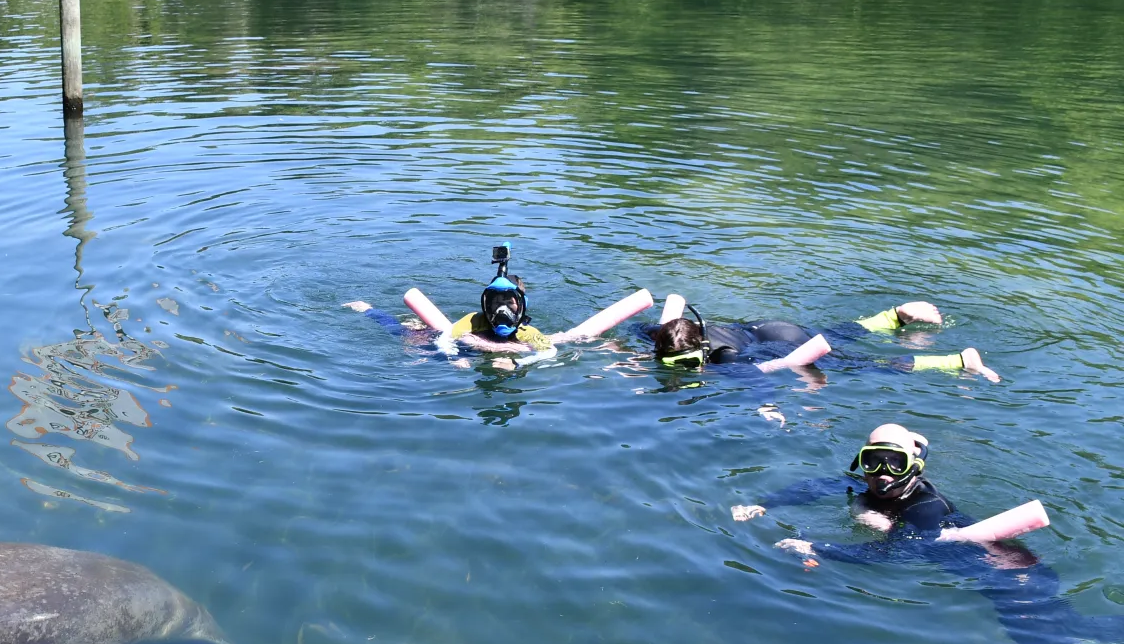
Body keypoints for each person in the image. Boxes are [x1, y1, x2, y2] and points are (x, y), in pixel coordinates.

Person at [732, 424, 1124, 644]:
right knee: (1075, 626)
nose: (882, 473)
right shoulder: (870, 489)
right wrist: (764, 504)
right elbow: (815, 488)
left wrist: (818, 548)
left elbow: (896, 552)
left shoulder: (926, 506)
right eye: (872, 461)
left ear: (914, 467)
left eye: (895, 463)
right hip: (1009, 571)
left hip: (1014, 579)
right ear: (861, 463)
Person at [345, 245, 641, 368]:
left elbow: (549, 352)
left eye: (508, 303)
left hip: (493, 351)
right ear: (485, 303)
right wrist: (453, 357)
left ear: (521, 307)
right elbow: (446, 338)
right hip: (464, 349)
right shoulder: (474, 320)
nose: (501, 310)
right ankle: (369, 309)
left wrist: (517, 363)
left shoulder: (527, 332)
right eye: (495, 302)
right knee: (409, 337)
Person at [650, 300, 999, 381]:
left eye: (690, 364)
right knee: (835, 335)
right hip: (767, 327)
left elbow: (756, 378)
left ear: (702, 351)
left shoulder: (723, 356)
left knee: (858, 365)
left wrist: (767, 408)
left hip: (778, 341)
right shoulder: (663, 335)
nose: (685, 372)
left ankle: (957, 360)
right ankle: (893, 316)